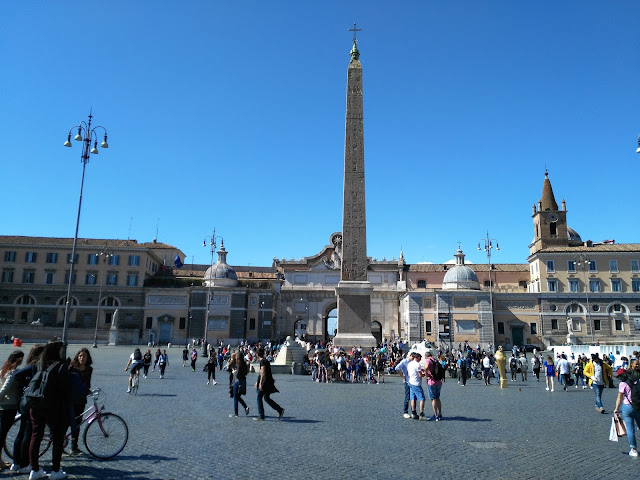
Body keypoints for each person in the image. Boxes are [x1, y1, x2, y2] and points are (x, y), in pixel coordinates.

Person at [28, 338, 70, 480]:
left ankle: (34, 470)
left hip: (35, 404)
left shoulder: (38, 364)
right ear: (57, 350)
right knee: (57, 438)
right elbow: (65, 389)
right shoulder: (61, 366)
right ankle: (55, 471)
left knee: (36, 436)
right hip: (53, 407)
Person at [8, 345, 44, 474]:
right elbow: (17, 376)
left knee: (22, 432)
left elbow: (18, 377)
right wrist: (26, 389)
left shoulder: (30, 367)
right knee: (27, 434)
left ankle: (16, 463)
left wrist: (22, 390)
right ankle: (24, 464)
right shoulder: (34, 367)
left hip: (24, 403)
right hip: (30, 403)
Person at [0, 350, 24, 470]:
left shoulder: (3, 370)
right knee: (2, 435)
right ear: (19, 359)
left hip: (3, 406)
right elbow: (4, 390)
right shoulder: (13, 373)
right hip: (8, 406)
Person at [68, 348, 93, 455]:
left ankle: (74, 447)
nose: (82, 358)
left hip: (81, 400)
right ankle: (60, 445)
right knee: (67, 423)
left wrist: (88, 391)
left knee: (77, 425)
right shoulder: (72, 368)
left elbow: (87, 383)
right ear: (77, 357)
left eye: (84, 356)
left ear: (88, 358)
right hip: (70, 399)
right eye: (80, 356)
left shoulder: (89, 369)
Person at [614, 360, 640, 457]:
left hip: (627, 406)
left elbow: (619, 397)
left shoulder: (623, 384)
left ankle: (633, 449)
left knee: (630, 429)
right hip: (638, 406)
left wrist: (616, 409)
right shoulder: (638, 380)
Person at [254, 347, 284, 421]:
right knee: (266, 398)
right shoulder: (265, 361)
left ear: (257, 354)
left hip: (265, 382)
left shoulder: (263, 362)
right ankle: (279, 409)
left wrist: (260, 383)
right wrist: (257, 382)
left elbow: (263, 373)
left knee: (259, 397)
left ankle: (261, 415)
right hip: (268, 382)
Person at [228, 353, 249, 417]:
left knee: (235, 397)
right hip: (243, 382)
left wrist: (234, 372)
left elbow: (237, 374)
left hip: (237, 382)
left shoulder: (239, 365)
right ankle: (245, 407)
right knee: (238, 397)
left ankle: (236, 413)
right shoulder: (244, 364)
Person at [424, 349, 443, 421]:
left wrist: (426, 374)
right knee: (438, 398)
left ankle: (435, 415)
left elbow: (426, 367)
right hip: (439, 382)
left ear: (426, 356)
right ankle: (440, 414)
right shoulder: (435, 360)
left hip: (431, 382)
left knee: (433, 399)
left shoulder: (428, 360)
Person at [406, 352, 425, 419]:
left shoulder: (409, 364)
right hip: (416, 383)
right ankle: (421, 414)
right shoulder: (417, 365)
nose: (420, 360)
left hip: (410, 382)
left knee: (413, 398)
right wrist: (424, 374)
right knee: (422, 398)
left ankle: (413, 413)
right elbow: (420, 375)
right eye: (420, 358)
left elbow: (408, 374)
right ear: (418, 358)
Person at [395, 353, 412, 418]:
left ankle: (413, 412)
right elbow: (397, 368)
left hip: (413, 381)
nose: (413, 359)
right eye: (412, 357)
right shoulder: (404, 361)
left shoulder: (413, 362)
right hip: (407, 381)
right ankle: (405, 412)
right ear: (410, 356)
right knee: (407, 397)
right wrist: (402, 375)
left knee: (413, 397)